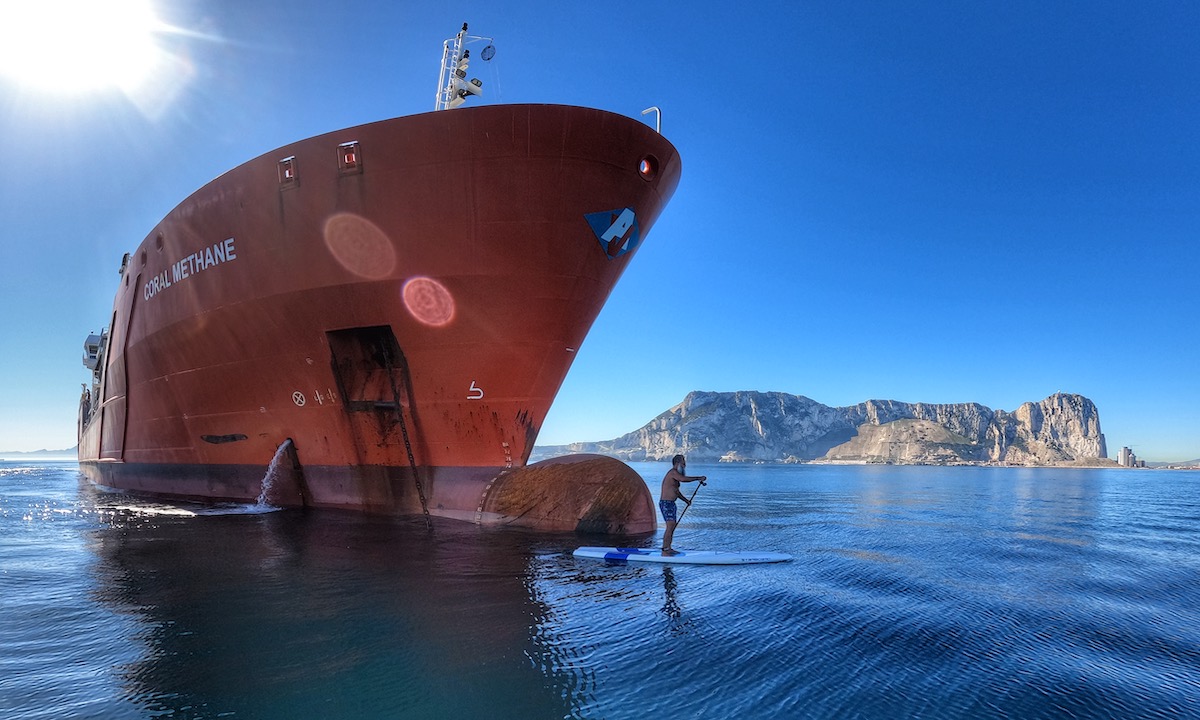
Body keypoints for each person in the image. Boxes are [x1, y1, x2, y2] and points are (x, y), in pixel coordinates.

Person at [659, 454, 706, 556]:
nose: (685, 464)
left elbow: (676, 491)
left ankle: (668, 548)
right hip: (666, 503)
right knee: (670, 526)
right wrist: (698, 478)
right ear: (677, 463)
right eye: (683, 462)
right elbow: (683, 479)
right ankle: (665, 550)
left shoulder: (675, 476)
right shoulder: (673, 473)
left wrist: (686, 501)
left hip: (671, 503)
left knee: (672, 526)